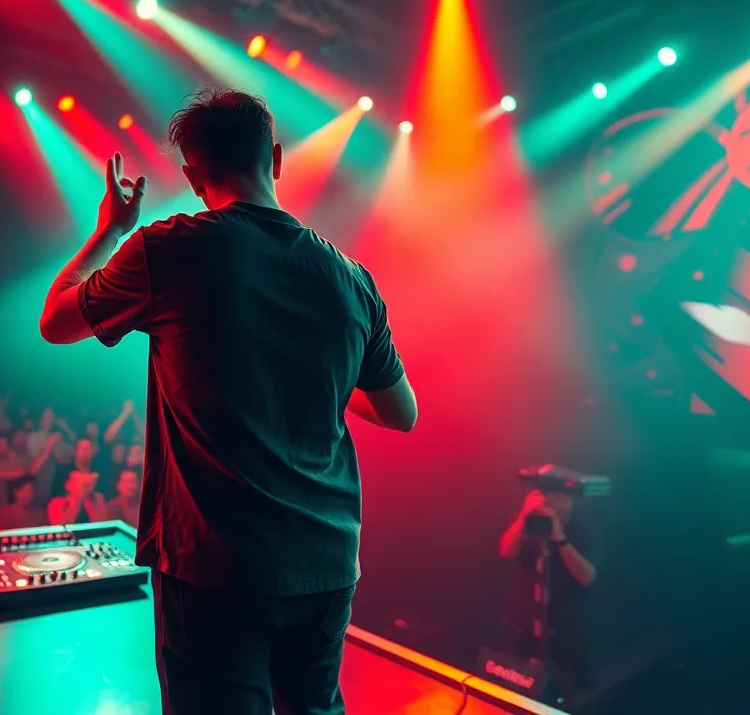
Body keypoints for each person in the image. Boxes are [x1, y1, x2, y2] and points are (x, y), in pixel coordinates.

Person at [37, 88, 417, 715]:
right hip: (324, 564)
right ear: (276, 157)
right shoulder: (352, 278)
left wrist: (110, 231)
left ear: (192, 175)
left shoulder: (168, 248)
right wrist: (311, 367)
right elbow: (400, 413)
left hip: (215, 566)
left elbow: (56, 320)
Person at [498, 489, 599, 690]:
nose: (551, 501)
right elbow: (506, 551)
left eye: (559, 496)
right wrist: (522, 517)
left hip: (564, 628)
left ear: (572, 501)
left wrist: (559, 537)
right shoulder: (530, 522)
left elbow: (587, 576)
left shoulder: (585, 529)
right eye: (548, 494)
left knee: (566, 690)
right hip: (523, 623)